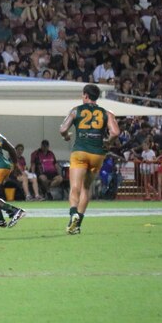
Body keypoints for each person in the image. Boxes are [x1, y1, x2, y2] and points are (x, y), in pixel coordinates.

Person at [59, 83, 120, 235]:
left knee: (75, 187)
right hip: (97, 153)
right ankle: (77, 224)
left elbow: (62, 129)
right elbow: (115, 132)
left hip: (80, 152)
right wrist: (108, 143)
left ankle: (73, 212)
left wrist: (66, 137)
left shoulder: (76, 110)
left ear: (85, 95)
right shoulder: (106, 113)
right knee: (86, 188)